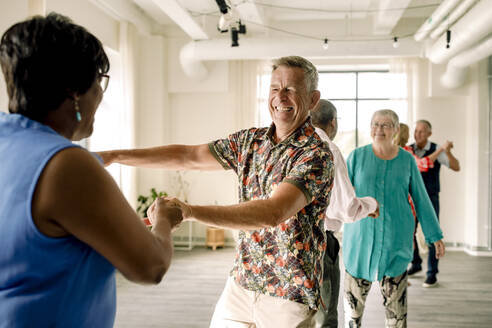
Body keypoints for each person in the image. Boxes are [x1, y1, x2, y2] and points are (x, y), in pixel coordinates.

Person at [98, 56, 334, 327]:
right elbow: (188, 156)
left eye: (290, 89)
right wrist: (114, 155)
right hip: (243, 282)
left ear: (313, 100)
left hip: (288, 295)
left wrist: (188, 211)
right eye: (274, 88)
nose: (280, 97)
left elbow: (272, 212)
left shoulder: (316, 154)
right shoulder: (251, 141)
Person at [0, 13, 181, 327]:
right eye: (100, 82)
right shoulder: (67, 164)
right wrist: (164, 220)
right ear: (74, 90)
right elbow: (151, 266)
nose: (100, 93)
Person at [342, 110, 445, 328]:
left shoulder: (407, 160)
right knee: (352, 314)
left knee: (397, 316)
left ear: (396, 130)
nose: (379, 129)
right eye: (375, 124)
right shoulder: (356, 157)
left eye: (385, 125)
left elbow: (421, 198)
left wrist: (434, 236)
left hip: (395, 244)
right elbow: (341, 197)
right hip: (359, 245)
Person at [311, 99, 379, 328]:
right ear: (332, 122)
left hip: (291, 243)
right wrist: (370, 205)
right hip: (321, 243)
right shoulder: (328, 148)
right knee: (325, 316)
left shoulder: (295, 144)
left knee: (299, 313)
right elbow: (345, 208)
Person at [407, 120, 460, 288]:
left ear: (429, 133)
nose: (418, 134)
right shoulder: (408, 149)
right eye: (416, 131)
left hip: (430, 197)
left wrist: (447, 152)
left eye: (422, 131)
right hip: (411, 198)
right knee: (409, 232)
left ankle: (432, 274)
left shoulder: (437, 149)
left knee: (433, 235)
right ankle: (415, 264)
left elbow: (456, 166)